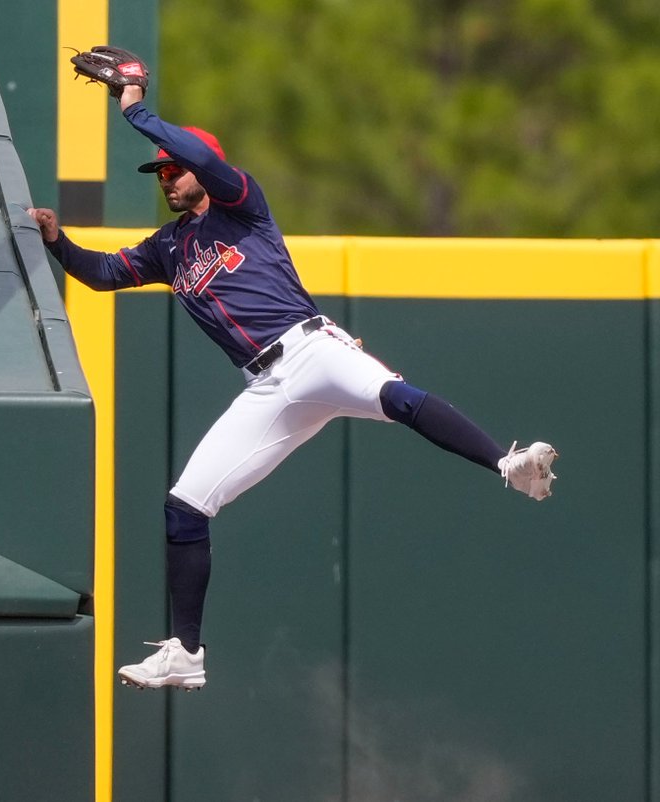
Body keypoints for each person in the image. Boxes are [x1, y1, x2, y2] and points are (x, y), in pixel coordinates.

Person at [28, 84, 559, 691]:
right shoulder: (168, 248)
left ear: (202, 168)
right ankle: (186, 653)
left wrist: (135, 111)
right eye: (160, 173)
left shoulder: (239, 204)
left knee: (398, 398)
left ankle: (506, 463)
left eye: (174, 169)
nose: (166, 178)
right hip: (266, 388)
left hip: (312, 349)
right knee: (185, 507)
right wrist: (55, 241)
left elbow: (201, 160)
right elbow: (100, 273)